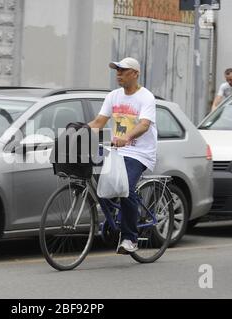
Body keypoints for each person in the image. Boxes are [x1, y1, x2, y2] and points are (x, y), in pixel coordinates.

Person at [88, 57, 157, 254]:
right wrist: (78, 132)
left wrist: (126, 137)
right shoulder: (113, 96)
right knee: (90, 167)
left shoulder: (146, 97)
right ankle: (112, 216)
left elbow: (144, 125)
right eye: (117, 70)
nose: (118, 74)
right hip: (117, 150)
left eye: (123, 70)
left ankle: (130, 238)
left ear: (135, 74)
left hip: (140, 152)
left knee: (126, 186)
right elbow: (99, 122)